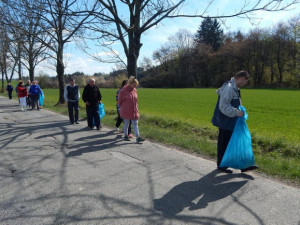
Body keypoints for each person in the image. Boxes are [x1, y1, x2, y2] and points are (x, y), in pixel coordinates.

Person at [211, 71, 258, 173]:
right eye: (245, 81)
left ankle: (244, 165)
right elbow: (223, 106)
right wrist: (237, 112)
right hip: (225, 121)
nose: (245, 84)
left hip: (233, 120)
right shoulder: (229, 88)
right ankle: (221, 166)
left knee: (238, 141)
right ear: (241, 78)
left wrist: (240, 112)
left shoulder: (235, 88)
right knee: (224, 143)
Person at [118, 76, 145, 143]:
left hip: (134, 110)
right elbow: (119, 101)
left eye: (136, 85)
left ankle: (138, 137)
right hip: (126, 110)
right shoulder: (123, 90)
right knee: (126, 124)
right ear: (130, 83)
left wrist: (137, 108)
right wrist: (122, 107)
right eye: (134, 85)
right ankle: (125, 136)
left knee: (135, 123)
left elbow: (136, 100)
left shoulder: (135, 90)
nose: (135, 86)